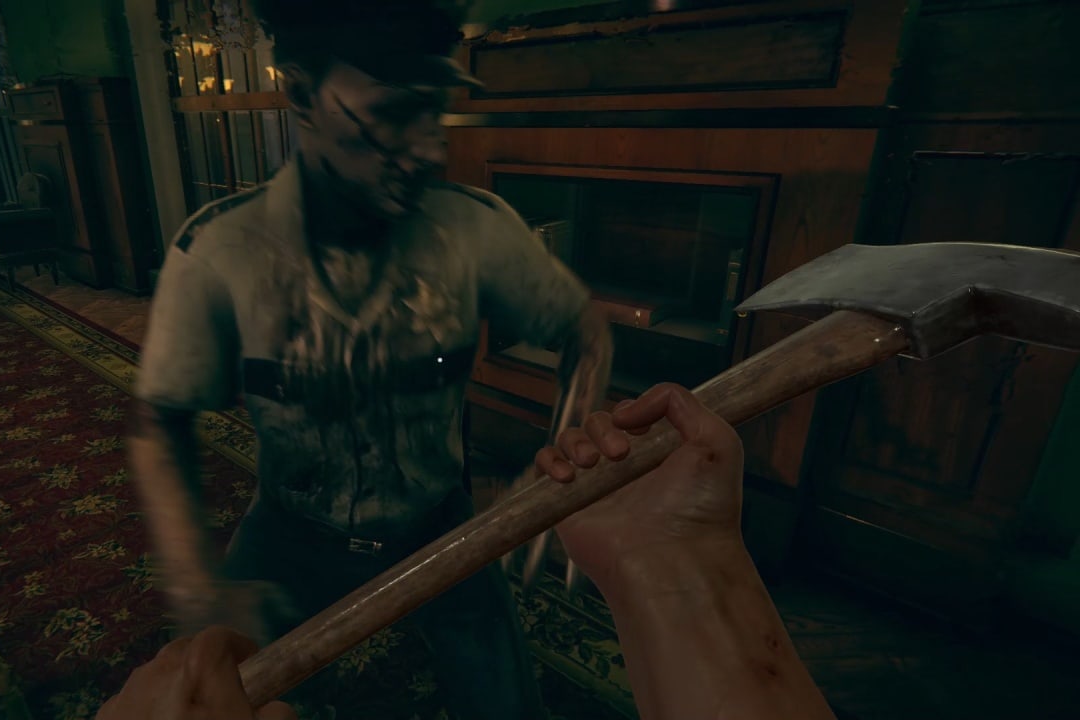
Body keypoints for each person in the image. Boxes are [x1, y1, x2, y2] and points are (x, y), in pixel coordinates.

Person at [126, 0, 612, 717]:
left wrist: (557, 473)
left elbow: (585, 331)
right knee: (214, 695)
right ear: (300, 93)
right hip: (289, 532)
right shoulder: (219, 252)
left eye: (433, 111)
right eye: (391, 112)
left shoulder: (477, 232)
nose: (428, 150)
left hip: (440, 526)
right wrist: (201, 589)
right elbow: (159, 421)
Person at [101, 383, 838, 720]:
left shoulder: (467, 249)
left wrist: (670, 549)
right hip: (291, 523)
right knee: (202, 668)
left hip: (433, 520)